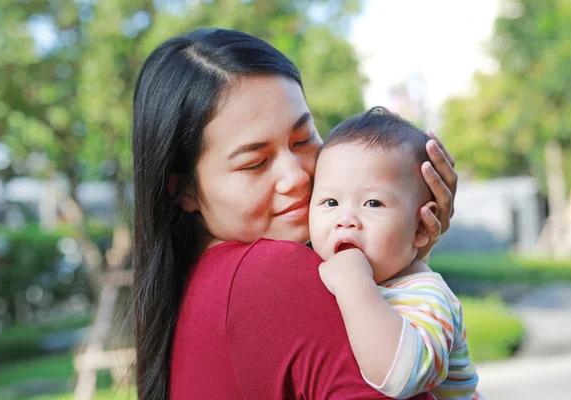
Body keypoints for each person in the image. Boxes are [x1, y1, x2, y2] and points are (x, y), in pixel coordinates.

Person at [131, 28, 458, 399]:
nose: (296, 176)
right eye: (254, 163)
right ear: (184, 189)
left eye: (303, 140)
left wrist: (401, 240)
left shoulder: (196, 283)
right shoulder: (276, 273)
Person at [309, 106, 480, 400]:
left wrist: (354, 283)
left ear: (421, 229)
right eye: (330, 201)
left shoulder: (426, 294)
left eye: (373, 203)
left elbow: (403, 378)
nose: (346, 219)